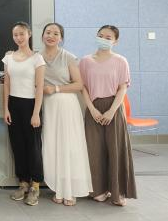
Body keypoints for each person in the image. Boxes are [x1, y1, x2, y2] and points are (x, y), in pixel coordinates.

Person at [79, 24, 136, 206]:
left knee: (116, 149)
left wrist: (111, 111)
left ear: (115, 41)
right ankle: (99, 189)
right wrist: (92, 109)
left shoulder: (121, 61)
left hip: (114, 108)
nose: (103, 39)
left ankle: (118, 192)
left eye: (108, 37)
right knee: (94, 150)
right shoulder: (85, 61)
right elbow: (83, 88)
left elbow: (123, 88)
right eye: (100, 35)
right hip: (93, 108)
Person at [40, 23, 92, 206]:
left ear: (61, 38)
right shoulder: (37, 57)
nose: (51, 36)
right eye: (48, 32)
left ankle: (70, 190)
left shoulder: (68, 57)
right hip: (48, 107)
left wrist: (55, 88)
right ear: (42, 35)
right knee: (52, 147)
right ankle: (59, 189)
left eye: (56, 33)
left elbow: (79, 84)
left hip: (67, 106)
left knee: (69, 146)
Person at [3, 21, 45, 206]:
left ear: (29, 34)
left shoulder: (37, 58)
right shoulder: (8, 58)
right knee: (17, 145)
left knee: (33, 147)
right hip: (13, 104)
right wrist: (6, 108)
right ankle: (23, 183)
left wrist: (36, 113)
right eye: (15, 35)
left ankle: (35, 186)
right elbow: (7, 84)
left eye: (22, 34)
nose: (19, 37)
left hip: (31, 105)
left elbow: (40, 87)